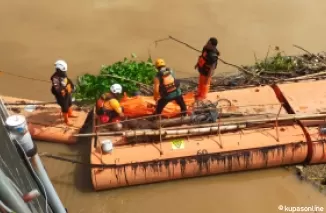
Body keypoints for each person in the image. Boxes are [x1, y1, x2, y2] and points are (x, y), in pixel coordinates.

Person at [51, 59, 77, 126]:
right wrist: (64, 90)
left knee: (70, 103)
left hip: (67, 92)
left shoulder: (63, 74)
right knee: (65, 107)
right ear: (59, 70)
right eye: (63, 71)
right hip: (61, 95)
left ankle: (70, 114)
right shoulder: (55, 78)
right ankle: (66, 120)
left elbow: (67, 80)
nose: (64, 72)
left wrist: (72, 86)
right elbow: (57, 89)